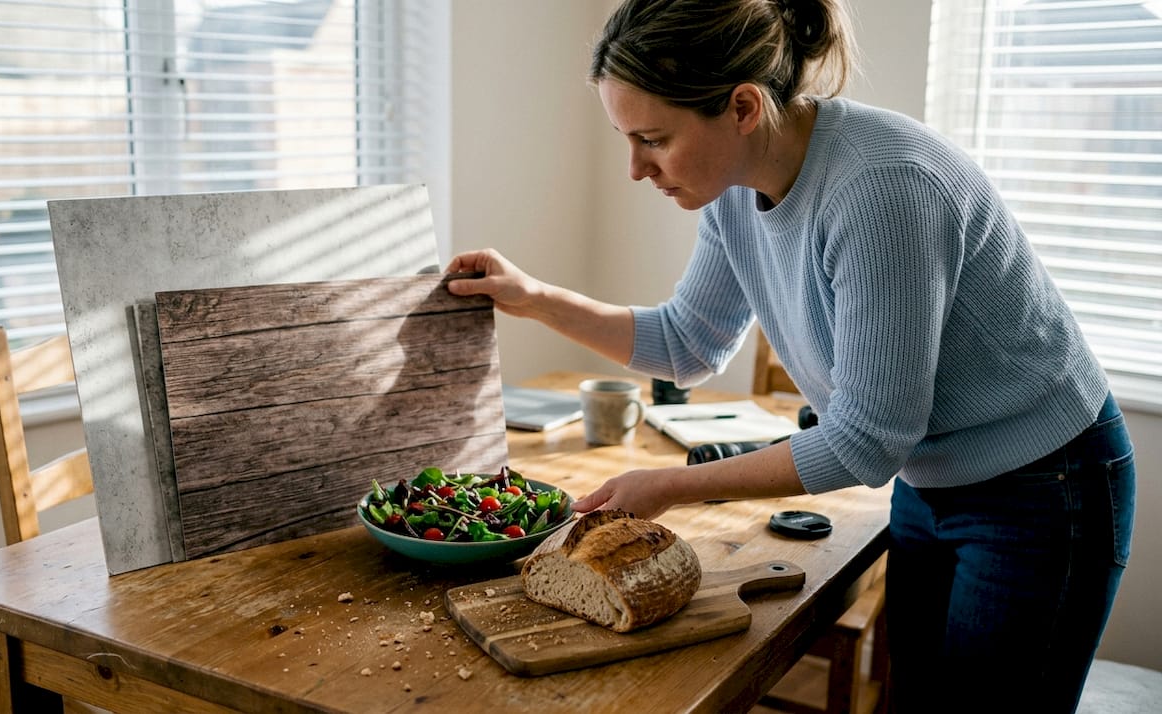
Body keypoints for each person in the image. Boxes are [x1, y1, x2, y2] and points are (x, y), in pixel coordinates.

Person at [445, 0, 1136, 712]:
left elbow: (866, 445)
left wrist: (671, 485)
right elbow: (688, 341)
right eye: (626, 138)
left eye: (652, 138)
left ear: (742, 107)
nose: (635, 168)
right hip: (934, 481)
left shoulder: (884, 190)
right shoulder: (731, 188)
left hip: (1046, 486)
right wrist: (532, 297)